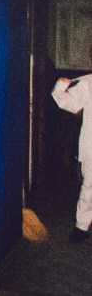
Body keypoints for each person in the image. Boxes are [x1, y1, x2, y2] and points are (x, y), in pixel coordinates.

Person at [56, 74, 92, 241]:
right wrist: (60, 87)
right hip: (91, 147)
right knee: (89, 187)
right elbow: (65, 101)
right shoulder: (87, 84)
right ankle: (81, 227)